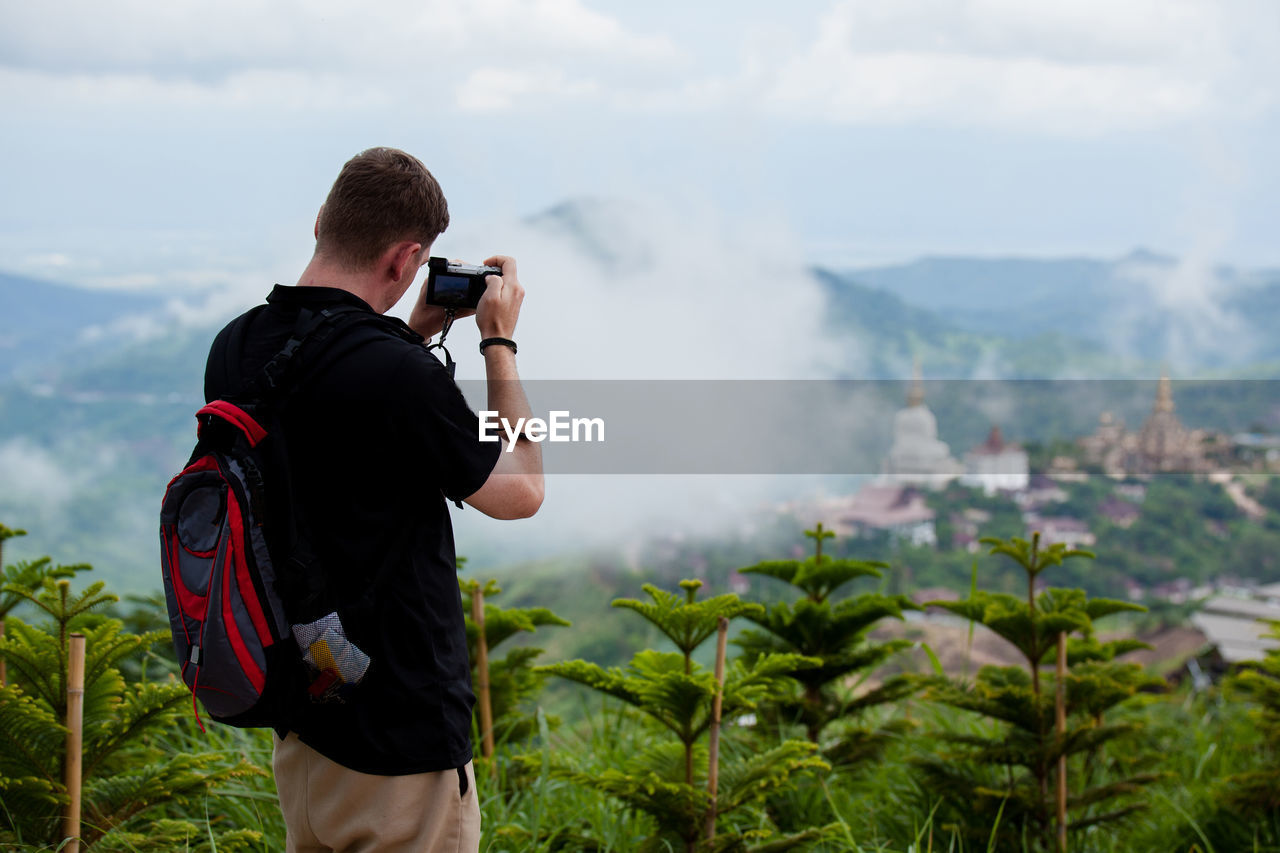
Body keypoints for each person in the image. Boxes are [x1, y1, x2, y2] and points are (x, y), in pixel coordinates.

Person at [203, 147, 543, 852]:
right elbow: (521, 490)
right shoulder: (397, 376)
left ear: (323, 219)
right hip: (400, 746)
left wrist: (410, 333)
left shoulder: (237, 347)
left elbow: (332, 416)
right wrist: (498, 340)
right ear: (406, 258)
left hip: (306, 726)